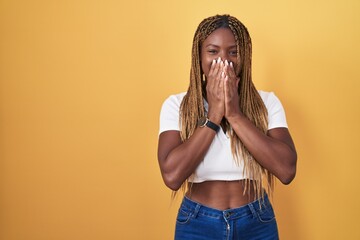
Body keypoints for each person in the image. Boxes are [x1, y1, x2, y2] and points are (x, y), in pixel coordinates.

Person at [157, 14, 297, 240]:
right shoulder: (177, 105)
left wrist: (234, 114)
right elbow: (172, 176)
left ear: (245, 56)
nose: (224, 60)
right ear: (199, 56)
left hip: (256, 222)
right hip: (197, 223)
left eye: (233, 52)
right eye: (213, 51)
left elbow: (287, 170)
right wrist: (213, 115)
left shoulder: (267, 102)